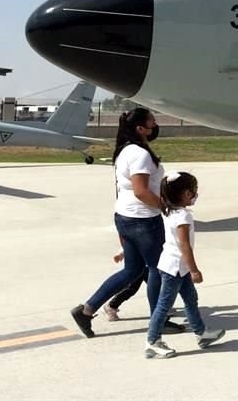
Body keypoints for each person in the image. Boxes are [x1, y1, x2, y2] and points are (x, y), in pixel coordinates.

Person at [70, 108, 181, 337]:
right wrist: (166, 206)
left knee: (132, 270)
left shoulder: (125, 150)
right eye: (152, 122)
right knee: (157, 270)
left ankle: (87, 310)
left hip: (125, 216)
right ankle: (158, 320)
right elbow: (141, 191)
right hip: (143, 220)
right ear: (140, 128)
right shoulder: (139, 154)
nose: (155, 125)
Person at [145, 171, 225, 358]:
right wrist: (195, 270)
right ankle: (152, 341)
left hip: (177, 266)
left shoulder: (168, 210)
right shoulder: (183, 217)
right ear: (185, 194)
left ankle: (201, 333)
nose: (195, 194)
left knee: (190, 300)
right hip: (175, 268)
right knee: (164, 305)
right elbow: (185, 246)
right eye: (193, 191)